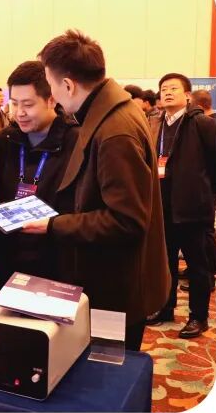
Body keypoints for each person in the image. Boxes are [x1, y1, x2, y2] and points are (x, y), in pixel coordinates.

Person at [25, 31, 169, 351]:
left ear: (68, 85)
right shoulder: (110, 112)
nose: (52, 95)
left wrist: (54, 224)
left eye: (50, 85)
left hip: (118, 286)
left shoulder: (115, 130)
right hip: (112, 277)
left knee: (108, 371)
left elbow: (126, 221)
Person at [0, 59, 77, 288]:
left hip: (56, 259)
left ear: (51, 99)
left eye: (28, 104)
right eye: (14, 104)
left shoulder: (75, 141)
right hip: (10, 256)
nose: (20, 113)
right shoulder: (6, 141)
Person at [146, 72, 216, 338]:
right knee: (165, 263)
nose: (167, 92)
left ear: (187, 95)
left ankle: (199, 317)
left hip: (192, 208)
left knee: (197, 266)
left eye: (173, 88)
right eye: (163, 88)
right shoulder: (155, 123)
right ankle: (165, 308)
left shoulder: (202, 123)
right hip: (163, 206)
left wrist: (208, 197)